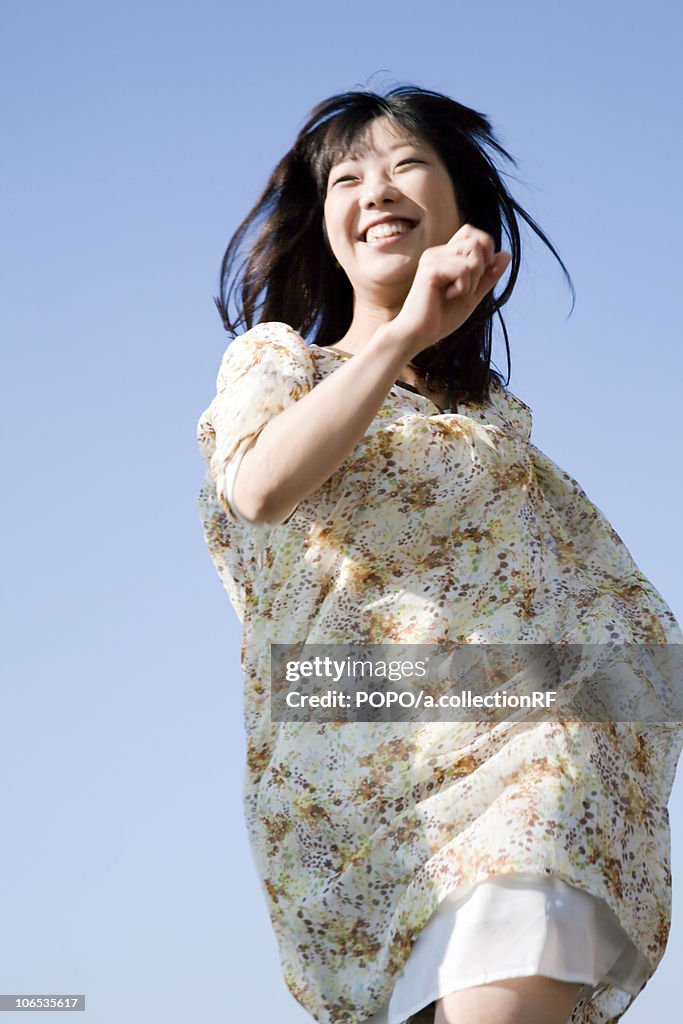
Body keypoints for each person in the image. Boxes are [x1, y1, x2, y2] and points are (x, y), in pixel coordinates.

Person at [195, 85, 683, 1024]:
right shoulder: (277, 362)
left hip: (523, 747)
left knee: (527, 885)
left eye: (405, 164)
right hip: (348, 744)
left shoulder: (493, 428)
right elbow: (258, 488)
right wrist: (402, 335)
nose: (376, 186)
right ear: (325, 226)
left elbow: (616, 634)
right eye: (347, 175)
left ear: (465, 214)